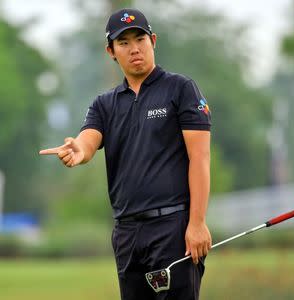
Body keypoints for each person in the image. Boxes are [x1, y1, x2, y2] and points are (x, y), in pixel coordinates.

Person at [39, 8, 212, 300]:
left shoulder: (180, 89)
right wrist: (76, 151)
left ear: (153, 40)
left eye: (140, 39)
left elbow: (200, 158)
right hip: (127, 235)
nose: (134, 49)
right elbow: (88, 141)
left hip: (172, 228)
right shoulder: (105, 104)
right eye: (124, 43)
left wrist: (197, 223)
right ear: (111, 51)